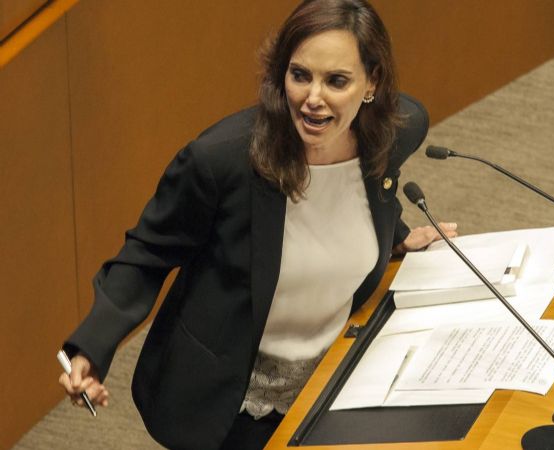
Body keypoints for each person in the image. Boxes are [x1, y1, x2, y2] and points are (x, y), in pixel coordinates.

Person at [57, 1, 456, 449]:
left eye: (336, 81)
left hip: (333, 381)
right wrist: (90, 347)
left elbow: (366, 194)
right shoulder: (222, 161)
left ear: (372, 83)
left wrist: (394, 236)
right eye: (300, 75)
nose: (313, 98)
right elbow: (147, 253)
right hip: (232, 397)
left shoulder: (395, 133)